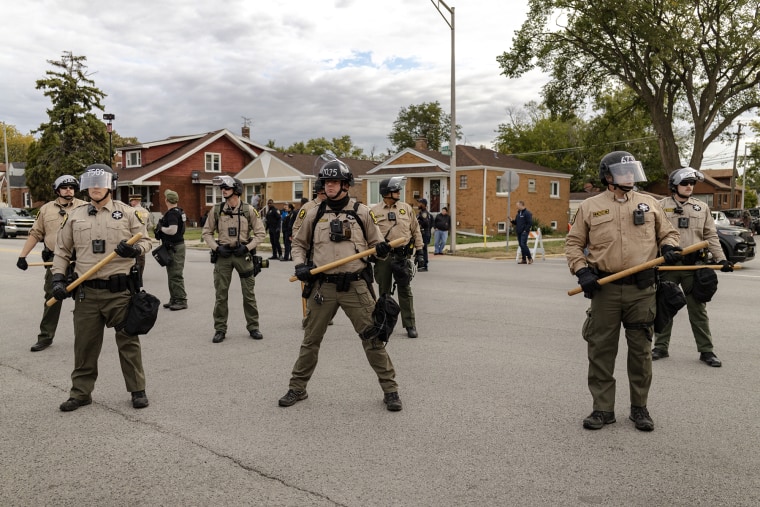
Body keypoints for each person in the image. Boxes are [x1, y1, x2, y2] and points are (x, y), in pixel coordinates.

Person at [565, 151, 680, 432]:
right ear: (608, 176)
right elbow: (573, 244)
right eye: (623, 172)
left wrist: (669, 247)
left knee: (641, 352)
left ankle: (639, 408)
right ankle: (602, 410)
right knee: (601, 350)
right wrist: (582, 271)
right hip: (604, 289)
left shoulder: (649, 204)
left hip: (642, 290)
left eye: (632, 171)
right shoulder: (590, 206)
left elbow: (669, 234)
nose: (630, 176)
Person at [279, 158, 402, 411]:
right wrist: (300, 264)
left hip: (356, 286)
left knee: (373, 339)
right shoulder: (314, 213)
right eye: (327, 181)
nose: (329, 186)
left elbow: (377, 249)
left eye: (335, 181)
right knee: (310, 340)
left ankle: (390, 390)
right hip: (323, 287)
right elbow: (298, 244)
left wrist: (379, 250)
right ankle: (297, 388)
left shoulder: (362, 212)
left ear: (346, 185)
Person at [51, 164, 153, 412]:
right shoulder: (75, 216)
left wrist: (135, 249)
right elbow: (62, 251)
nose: (96, 187)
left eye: (101, 182)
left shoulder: (129, 213)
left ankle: (137, 390)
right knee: (84, 345)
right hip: (86, 293)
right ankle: (81, 393)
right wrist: (57, 278)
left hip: (119, 292)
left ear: (110, 185)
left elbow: (149, 241)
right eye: (90, 182)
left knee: (128, 342)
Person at [652, 167, 732, 367]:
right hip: (667, 266)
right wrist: (662, 251)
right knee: (665, 305)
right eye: (685, 183)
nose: (689, 187)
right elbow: (652, 235)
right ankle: (660, 347)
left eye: (692, 184)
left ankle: (706, 351)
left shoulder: (701, 208)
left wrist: (721, 259)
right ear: (674, 185)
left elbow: (710, 236)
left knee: (698, 310)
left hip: (693, 266)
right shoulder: (659, 206)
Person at [16, 175, 86, 352]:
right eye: (65, 187)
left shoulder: (86, 208)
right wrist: (22, 256)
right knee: (52, 298)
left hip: (80, 261)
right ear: (57, 190)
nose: (68, 190)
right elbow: (35, 233)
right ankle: (45, 337)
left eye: (71, 187)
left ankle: (85, 339)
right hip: (54, 261)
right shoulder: (46, 210)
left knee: (84, 301)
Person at [201, 176, 266, 343]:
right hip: (223, 256)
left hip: (242, 255)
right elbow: (206, 232)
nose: (223, 190)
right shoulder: (216, 210)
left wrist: (247, 247)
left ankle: (253, 326)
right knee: (221, 295)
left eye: (227, 188)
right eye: (222, 188)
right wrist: (216, 248)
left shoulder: (249, 210)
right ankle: (220, 329)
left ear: (236, 190)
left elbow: (260, 234)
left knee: (249, 294)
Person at [370, 177, 425, 338]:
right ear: (387, 193)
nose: (399, 192)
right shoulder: (374, 211)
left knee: (405, 291)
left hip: (402, 256)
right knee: (384, 292)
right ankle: (384, 324)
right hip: (383, 258)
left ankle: (410, 324)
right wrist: (371, 254)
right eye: (396, 190)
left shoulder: (406, 208)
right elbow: (369, 236)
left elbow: (416, 230)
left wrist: (420, 251)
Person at [155, 189, 187, 311]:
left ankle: (181, 300)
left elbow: (173, 230)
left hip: (175, 247)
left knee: (176, 274)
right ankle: (174, 299)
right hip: (174, 246)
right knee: (172, 274)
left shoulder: (172, 214)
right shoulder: (179, 211)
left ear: (166, 200)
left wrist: (161, 228)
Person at [128, 194, 151, 279]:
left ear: (134, 201)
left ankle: (132, 276)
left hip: (133, 238)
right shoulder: (146, 211)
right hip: (143, 239)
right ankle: (139, 276)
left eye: (131, 201)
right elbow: (149, 226)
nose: (131, 203)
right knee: (141, 258)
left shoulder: (130, 211)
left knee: (131, 259)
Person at [416, 198, 432, 270]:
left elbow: (426, 223)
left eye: (419, 203)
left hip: (424, 233)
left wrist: (418, 223)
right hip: (423, 233)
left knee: (423, 249)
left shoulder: (424, 213)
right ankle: (419, 263)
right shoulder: (421, 212)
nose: (418, 204)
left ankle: (424, 265)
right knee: (421, 248)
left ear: (423, 204)